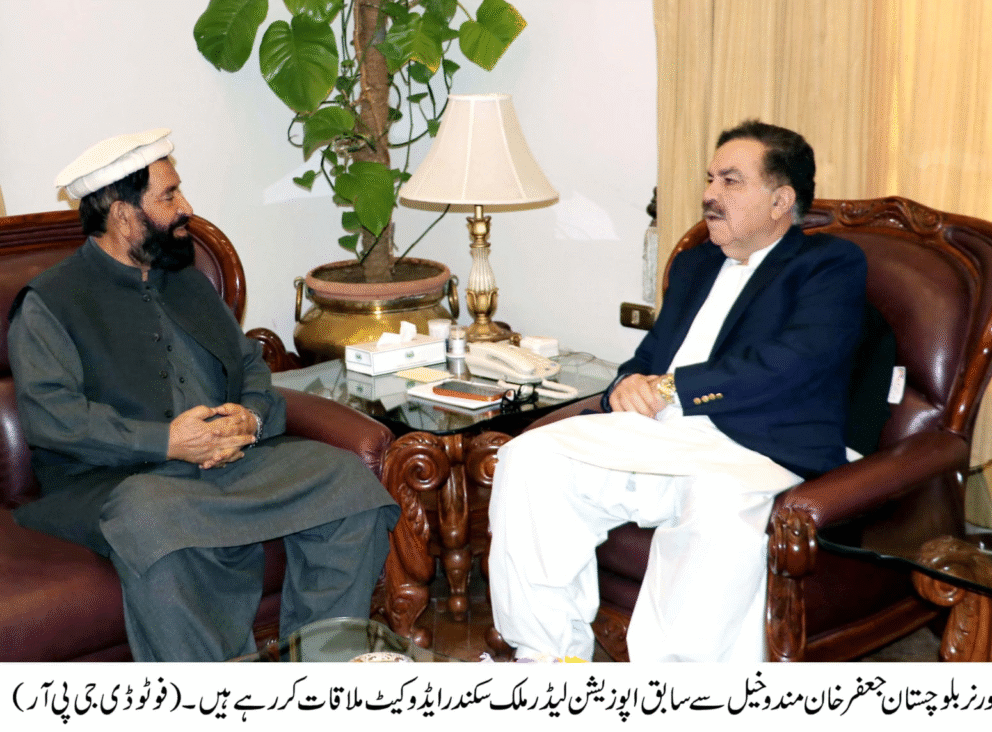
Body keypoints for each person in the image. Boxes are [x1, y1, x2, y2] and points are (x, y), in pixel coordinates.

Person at [7, 128, 400, 661]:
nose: (185, 208)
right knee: (152, 521)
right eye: (169, 196)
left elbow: (250, 366)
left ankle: (318, 668)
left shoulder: (187, 279)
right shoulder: (50, 302)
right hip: (120, 482)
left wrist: (252, 419)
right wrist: (167, 442)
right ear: (123, 215)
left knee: (346, 483)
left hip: (231, 465)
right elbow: (54, 418)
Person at [487, 120, 867, 662]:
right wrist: (627, 387)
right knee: (530, 458)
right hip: (662, 436)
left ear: (781, 200)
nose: (710, 194)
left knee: (716, 513)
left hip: (755, 447)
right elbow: (649, 359)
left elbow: (792, 363)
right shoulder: (695, 264)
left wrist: (673, 388)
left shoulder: (827, 265)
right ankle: (547, 659)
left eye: (730, 181)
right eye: (710, 178)